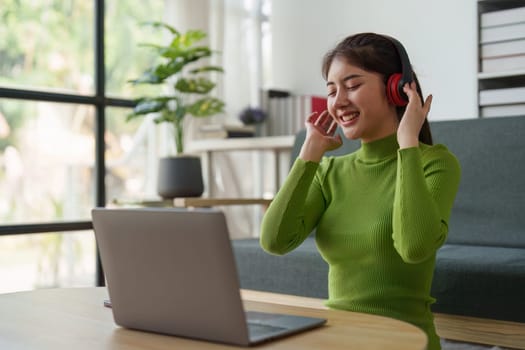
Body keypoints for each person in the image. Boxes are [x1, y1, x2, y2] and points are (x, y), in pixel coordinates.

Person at [259, 32, 461, 350]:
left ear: (396, 90)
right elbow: (274, 241)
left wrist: (407, 145)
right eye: (331, 90)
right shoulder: (329, 172)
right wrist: (309, 153)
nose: (338, 102)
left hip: (403, 341)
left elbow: (414, 246)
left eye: (352, 86)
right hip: (337, 338)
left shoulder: (434, 163)